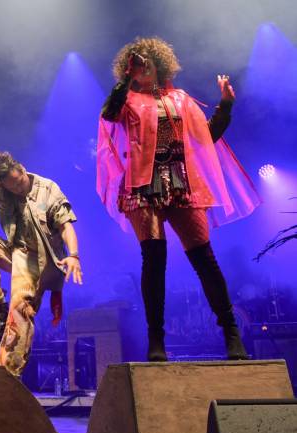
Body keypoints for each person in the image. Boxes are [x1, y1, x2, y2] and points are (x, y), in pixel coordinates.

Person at [96, 37, 261, 361]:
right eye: (135, 65)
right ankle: (156, 340)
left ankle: (231, 333)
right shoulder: (126, 100)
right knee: (154, 260)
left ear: (159, 65)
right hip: (143, 187)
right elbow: (109, 114)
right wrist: (127, 80)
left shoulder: (181, 100)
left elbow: (208, 137)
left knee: (204, 259)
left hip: (182, 184)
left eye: (146, 64)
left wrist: (225, 105)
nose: (142, 69)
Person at [0, 137, 83, 376]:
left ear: (22, 169)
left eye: (18, 182)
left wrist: (74, 255)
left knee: (21, 310)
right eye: (11, 187)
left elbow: (66, 226)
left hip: (42, 262)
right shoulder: (3, 191)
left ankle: (6, 375)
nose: (17, 189)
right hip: (17, 252)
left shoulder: (47, 189)